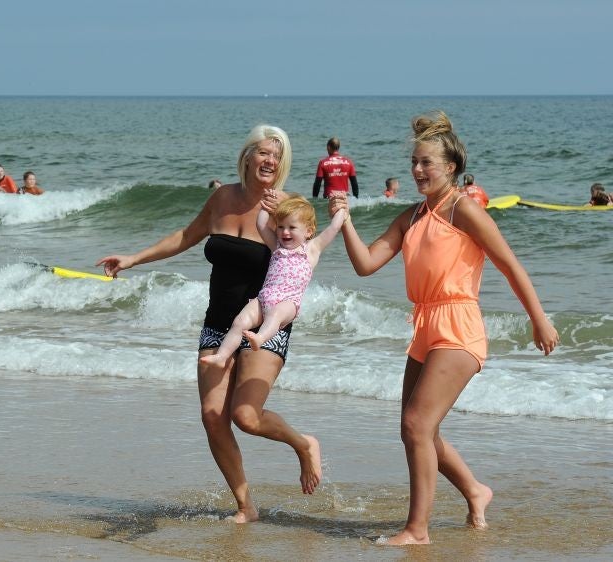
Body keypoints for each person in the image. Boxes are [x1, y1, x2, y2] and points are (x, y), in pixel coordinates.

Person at [328, 110, 559, 545]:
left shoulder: (463, 208)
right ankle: (475, 490)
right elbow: (366, 264)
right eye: (414, 162)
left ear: (450, 167)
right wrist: (345, 222)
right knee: (415, 428)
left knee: (417, 424)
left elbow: (509, 264)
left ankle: (418, 530)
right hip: (424, 326)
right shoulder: (412, 217)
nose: (417, 170)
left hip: (459, 324)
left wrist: (539, 318)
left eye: (426, 163)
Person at [96, 125, 323, 524]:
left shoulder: (287, 208)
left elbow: (302, 262)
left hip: (263, 322)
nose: (270, 160)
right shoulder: (222, 198)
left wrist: (272, 223)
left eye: (277, 155)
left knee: (246, 416)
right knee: (212, 416)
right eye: (263, 153)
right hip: (218, 324)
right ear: (248, 156)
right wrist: (134, 258)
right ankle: (246, 506)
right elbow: (186, 235)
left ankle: (303, 444)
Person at [200, 194, 345, 367]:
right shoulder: (276, 246)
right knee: (240, 322)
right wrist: (265, 208)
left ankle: (260, 338)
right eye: (281, 226)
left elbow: (334, 227)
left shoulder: (312, 249)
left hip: (288, 302)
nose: (284, 232)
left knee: (275, 315)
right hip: (264, 297)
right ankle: (221, 356)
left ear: (308, 230)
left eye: (292, 227)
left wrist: (341, 209)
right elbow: (261, 224)